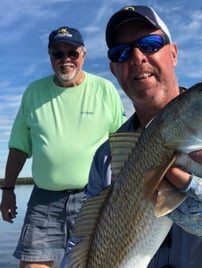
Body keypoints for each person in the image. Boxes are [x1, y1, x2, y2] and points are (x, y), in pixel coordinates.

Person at [64, 5, 202, 268]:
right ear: (114, 70)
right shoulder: (106, 157)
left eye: (149, 44)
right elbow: (78, 243)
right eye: (122, 52)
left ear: (173, 54)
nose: (137, 57)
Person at [0, 26, 126, 268]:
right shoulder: (33, 92)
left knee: (98, 262)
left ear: (84, 55)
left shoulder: (104, 89)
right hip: (43, 200)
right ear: (50, 57)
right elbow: (19, 147)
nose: (65, 60)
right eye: (58, 54)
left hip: (94, 198)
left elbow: (122, 145)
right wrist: (7, 190)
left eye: (72, 53)